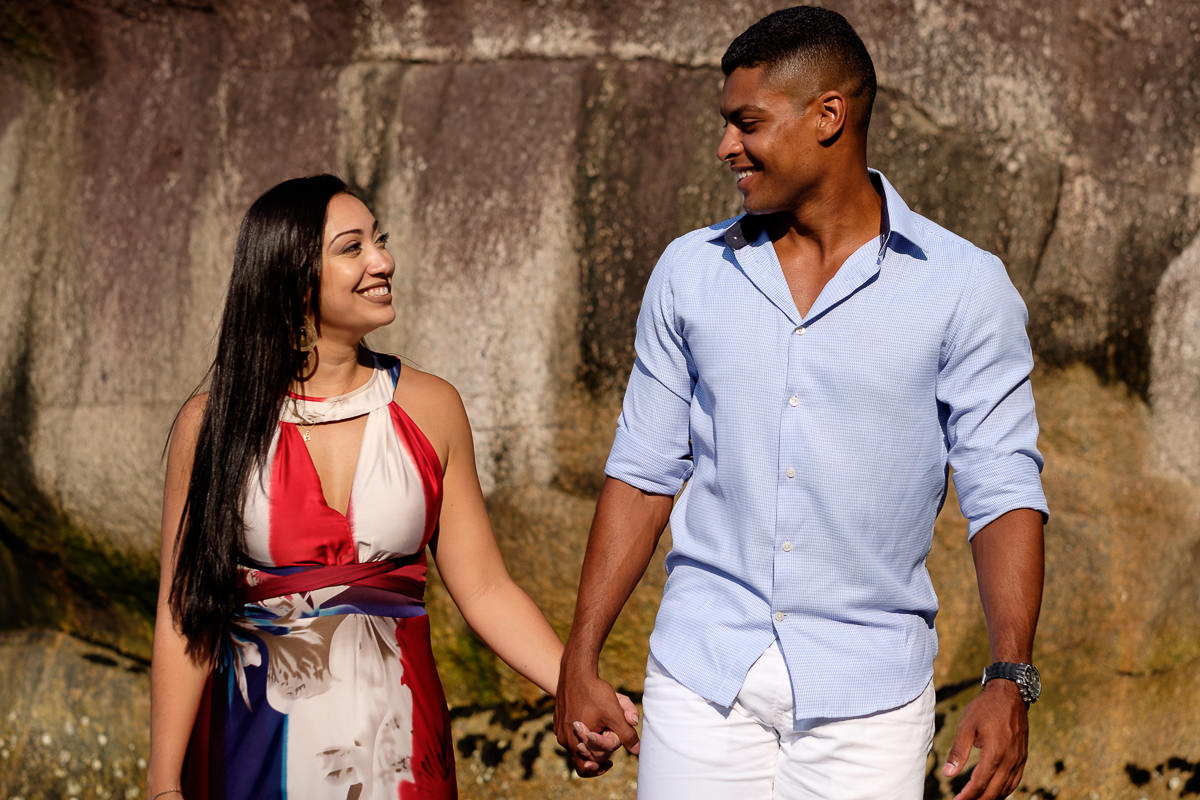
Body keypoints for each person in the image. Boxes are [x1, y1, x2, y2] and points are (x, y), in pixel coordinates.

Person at [554, 6, 1048, 800]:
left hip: (870, 706)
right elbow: (643, 473)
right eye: (725, 124)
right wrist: (578, 658)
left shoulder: (962, 286)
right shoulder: (690, 271)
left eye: (747, 123)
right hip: (699, 680)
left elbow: (1003, 490)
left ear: (829, 116)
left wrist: (1008, 677)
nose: (725, 146)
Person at [147, 175, 631, 800]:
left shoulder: (432, 406)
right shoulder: (212, 424)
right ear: (292, 277)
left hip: (402, 747)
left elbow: (484, 588)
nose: (383, 260)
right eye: (352, 247)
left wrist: (576, 686)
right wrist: (163, 783)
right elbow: (184, 614)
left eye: (380, 240)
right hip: (257, 747)